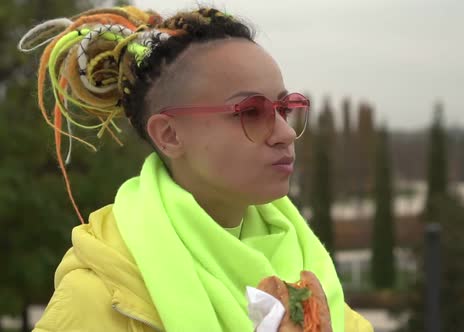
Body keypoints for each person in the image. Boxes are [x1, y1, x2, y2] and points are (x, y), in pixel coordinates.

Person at [18, 5, 374, 332]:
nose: (284, 134)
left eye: (284, 108)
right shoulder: (101, 301)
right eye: (250, 112)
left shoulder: (307, 267)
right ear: (169, 135)